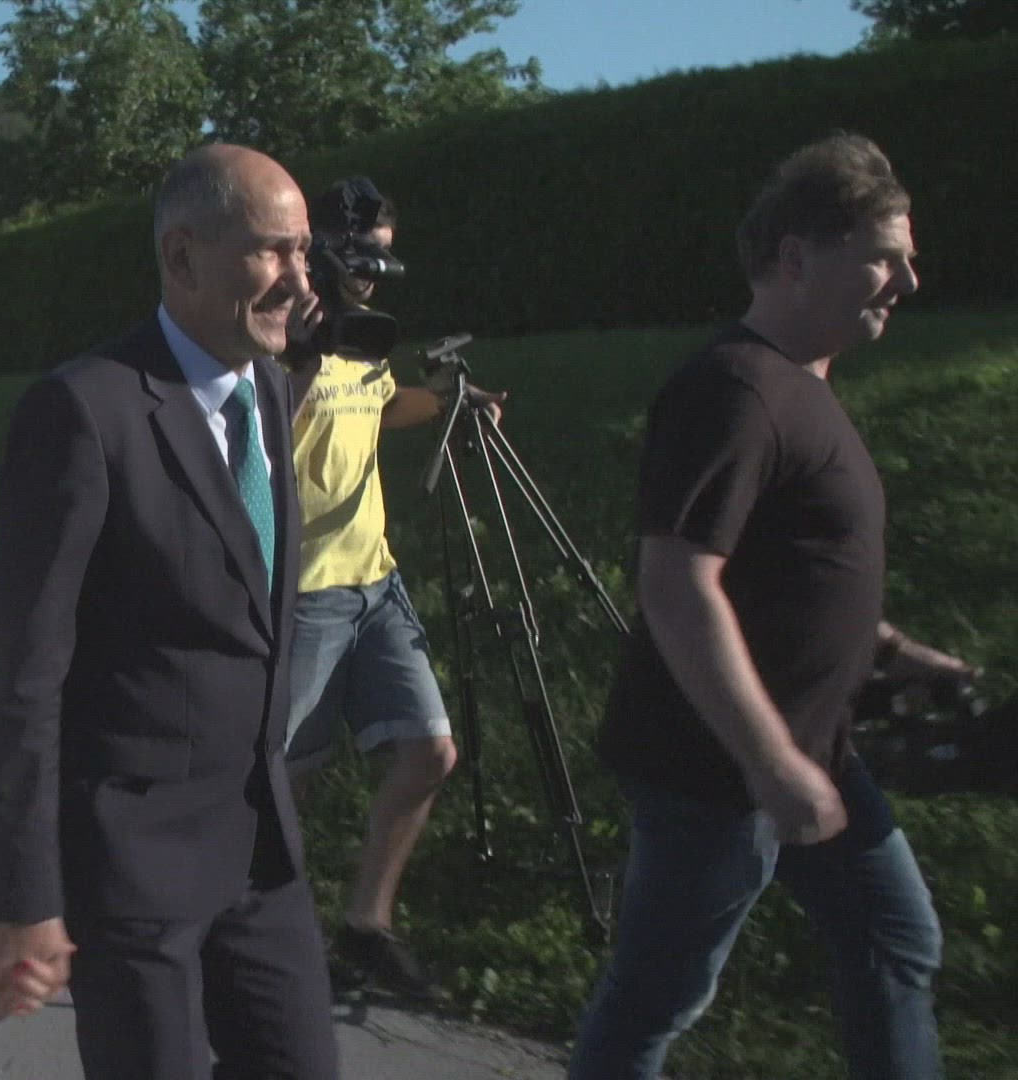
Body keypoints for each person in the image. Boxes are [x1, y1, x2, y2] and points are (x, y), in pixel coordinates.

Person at [568, 133, 972, 1080]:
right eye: (884, 257)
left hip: (809, 746)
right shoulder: (734, 389)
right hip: (719, 768)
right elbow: (677, 583)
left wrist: (887, 650)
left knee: (895, 937)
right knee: (658, 998)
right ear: (796, 257)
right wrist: (769, 762)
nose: (907, 283)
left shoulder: (803, 387)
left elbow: (789, 572)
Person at [0, 144, 340, 1079]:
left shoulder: (269, 387)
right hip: (135, 867)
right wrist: (22, 894)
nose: (300, 280)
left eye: (303, 251)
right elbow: (24, 673)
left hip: (260, 852)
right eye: (272, 251)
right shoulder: (84, 411)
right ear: (182, 257)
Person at [279, 179, 501, 999]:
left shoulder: (366, 339)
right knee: (284, 781)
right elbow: (255, 433)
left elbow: (375, 406)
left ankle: (366, 928)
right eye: (363, 257)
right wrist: (302, 353)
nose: (373, 274)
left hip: (375, 580)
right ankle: (268, 935)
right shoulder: (285, 334)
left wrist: (446, 402)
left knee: (429, 751)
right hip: (302, 592)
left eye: (383, 258)